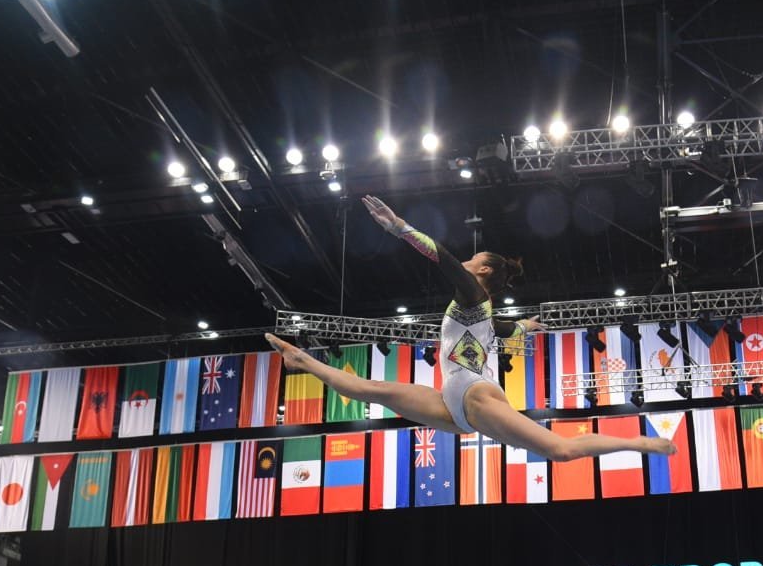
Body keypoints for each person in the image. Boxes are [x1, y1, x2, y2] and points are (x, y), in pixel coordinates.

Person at [265, 195, 675, 463]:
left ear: (484, 271)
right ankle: (301, 360)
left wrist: (399, 228)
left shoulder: (473, 294)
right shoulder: (480, 311)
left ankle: (637, 443)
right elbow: (497, 328)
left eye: (474, 258)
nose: (466, 261)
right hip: (455, 403)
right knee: (370, 390)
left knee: (560, 450)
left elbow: (442, 258)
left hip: (474, 395)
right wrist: (523, 327)